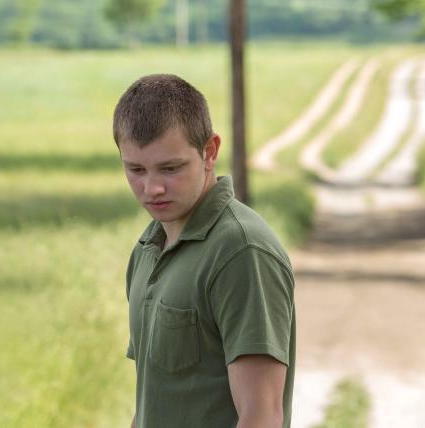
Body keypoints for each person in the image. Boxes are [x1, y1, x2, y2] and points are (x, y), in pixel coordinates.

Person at [113, 74, 296, 428]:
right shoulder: (147, 250)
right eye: (135, 169)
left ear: (209, 151)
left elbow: (261, 415)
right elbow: (153, 401)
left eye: (170, 168)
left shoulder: (241, 252)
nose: (152, 188)